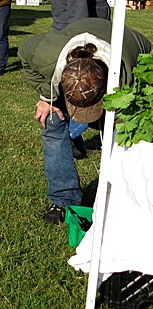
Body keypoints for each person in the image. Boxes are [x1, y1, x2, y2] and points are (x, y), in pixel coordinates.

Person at [18, 18, 150, 224]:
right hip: (69, 62)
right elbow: (24, 52)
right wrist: (47, 96)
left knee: (123, 137)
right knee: (51, 121)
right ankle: (63, 200)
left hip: (122, 67)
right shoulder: (44, 54)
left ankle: (123, 196)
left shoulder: (129, 68)